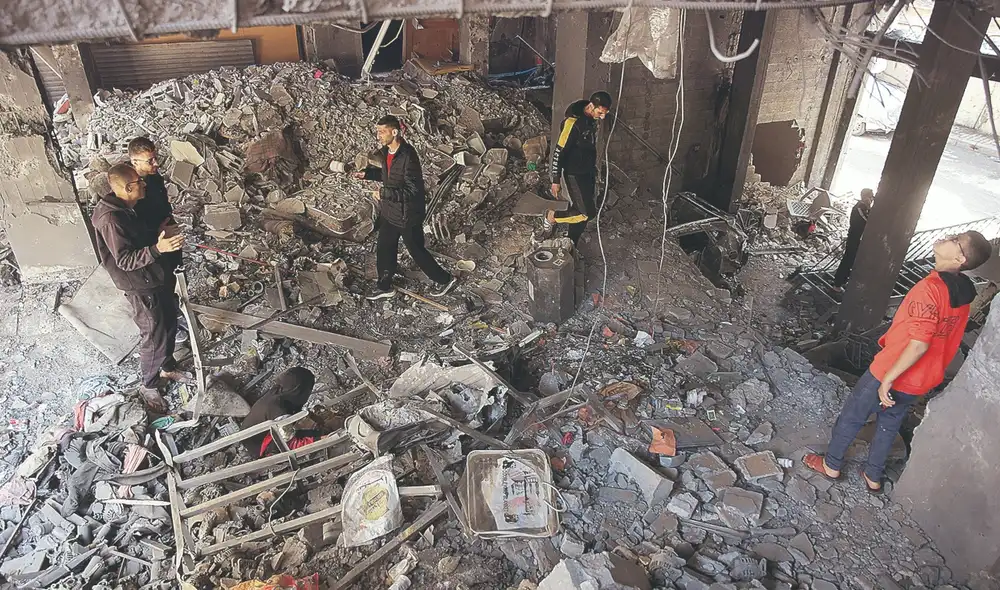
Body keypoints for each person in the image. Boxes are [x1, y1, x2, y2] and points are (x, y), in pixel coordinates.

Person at [804, 231, 993, 493]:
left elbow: (919, 343)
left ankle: (831, 465)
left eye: (956, 238)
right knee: (889, 423)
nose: (948, 236)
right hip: (924, 377)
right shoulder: (964, 291)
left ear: (959, 257)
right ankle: (873, 476)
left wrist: (889, 379)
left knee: (852, 416)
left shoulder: (931, 289)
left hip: (892, 370)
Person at [92, 164, 188, 412]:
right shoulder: (111, 220)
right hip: (140, 284)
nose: (144, 184)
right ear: (127, 188)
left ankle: (167, 368)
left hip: (154, 276)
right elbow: (124, 260)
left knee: (168, 323)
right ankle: (149, 384)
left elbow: (137, 237)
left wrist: (158, 233)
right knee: (154, 335)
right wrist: (158, 249)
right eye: (139, 183)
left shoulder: (127, 208)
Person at [353, 115, 456, 300]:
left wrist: (384, 193)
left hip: (408, 215)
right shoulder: (386, 152)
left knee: (416, 250)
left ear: (394, 132)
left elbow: (413, 190)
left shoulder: (408, 156)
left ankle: (445, 279)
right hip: (391, 212)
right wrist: (367, 174)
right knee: (384, 247)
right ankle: (384, 287)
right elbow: (389, 176)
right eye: (378, 131)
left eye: (382, 132)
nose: (378, 136)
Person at [128, 137, 188, 343]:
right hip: (153, 244)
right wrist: (158, 232)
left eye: (155, 158)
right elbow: (136, 227)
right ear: (134, 162)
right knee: (160, 283)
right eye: (150, 161)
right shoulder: (132, 189)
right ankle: (168, 323)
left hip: (167, 234)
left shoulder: (154, 177)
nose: (156, 164)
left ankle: (176, 310)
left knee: (174, 274)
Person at [541, 91, 612, 244]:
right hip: (574, 173)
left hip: (587, 171)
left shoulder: (591, 119)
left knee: (585, 210)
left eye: (605, 113)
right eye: (600, 112)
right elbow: (559, 151)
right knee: (585, 214)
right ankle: (552, 217)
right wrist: (556, 179)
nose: (602, 117)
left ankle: (571, 242)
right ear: (591, 106)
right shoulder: (572, 123)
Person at [241, 367, 321, 457]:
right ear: (300, 391)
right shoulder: (279, 409)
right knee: (314, 438)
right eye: (308, 391)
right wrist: (322, 439)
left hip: (251, 434)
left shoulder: (278, 391)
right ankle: (268, 453)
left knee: (312, 431)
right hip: (257, 446)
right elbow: (293, 445)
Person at [831, 188, 874, 292]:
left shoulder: (864, 207)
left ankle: (844, 281)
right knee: (848, 260)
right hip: (854, 238)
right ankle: (838, 283)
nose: (872, 199)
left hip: (859, 239)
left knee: (853, 261)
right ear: (865, 197)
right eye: (871, 197)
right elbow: (869, 221)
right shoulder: (860, 208)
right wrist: (869, 207)